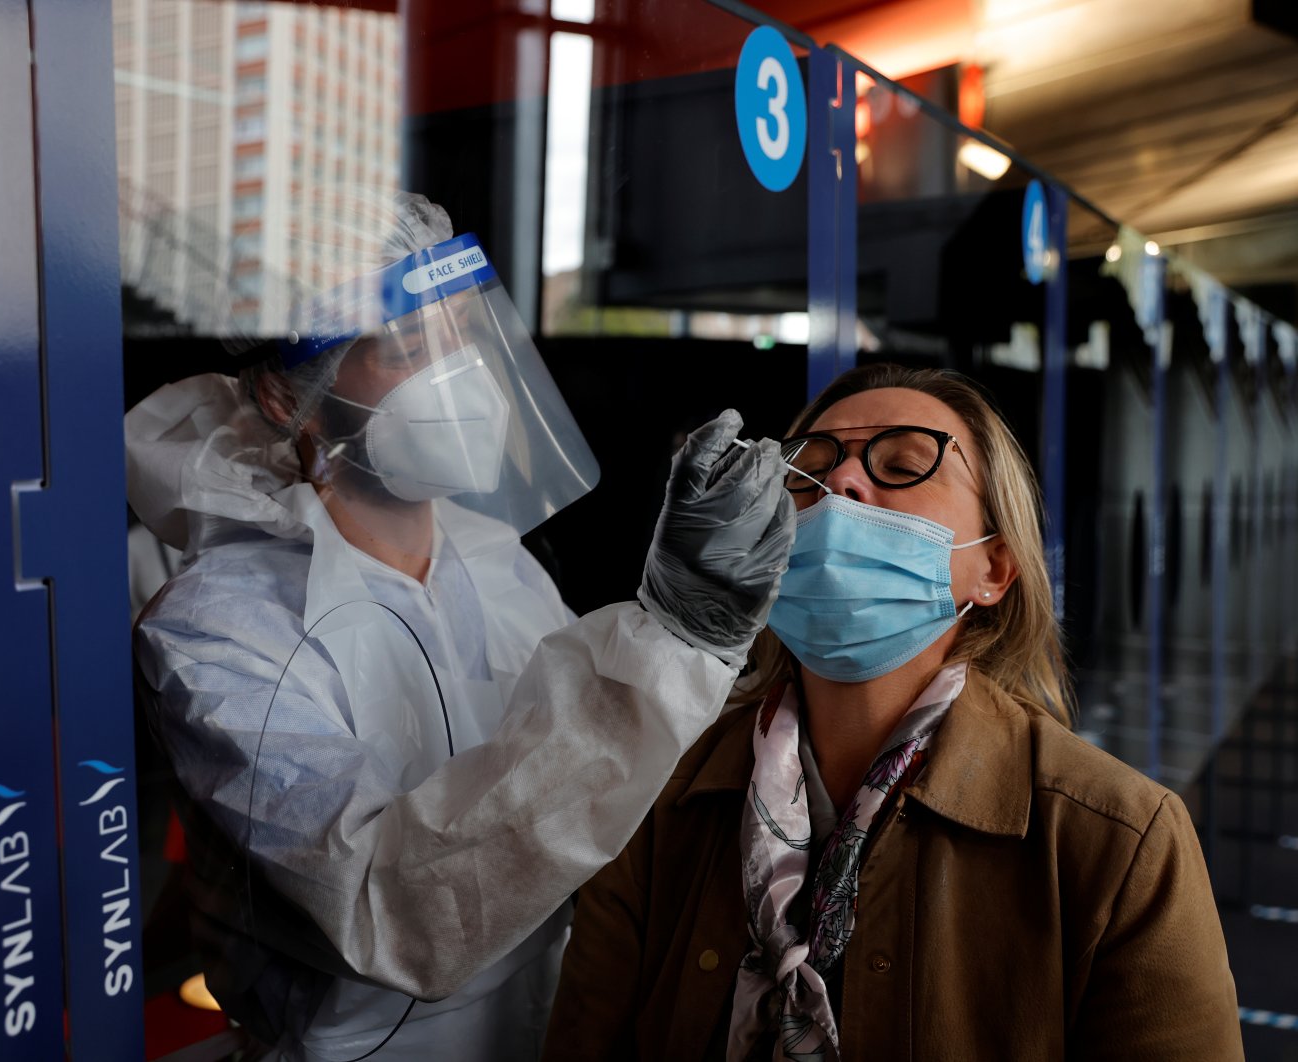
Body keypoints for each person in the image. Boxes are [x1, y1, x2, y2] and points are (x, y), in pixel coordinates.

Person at [126, 190, 796, 1061]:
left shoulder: (497, 562)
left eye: (459, 333)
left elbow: (615, 811)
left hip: (555, 1027)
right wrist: (667, 645)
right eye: (407, 344)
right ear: (284, 394)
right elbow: (387, 913)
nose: (457, 373)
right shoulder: (219, 627)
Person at [542, 363, 1242, 1062]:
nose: (839, 485)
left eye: (903, 465)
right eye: (806, 471)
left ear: (993, 568)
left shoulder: (1115, 840)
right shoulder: (659, 794)